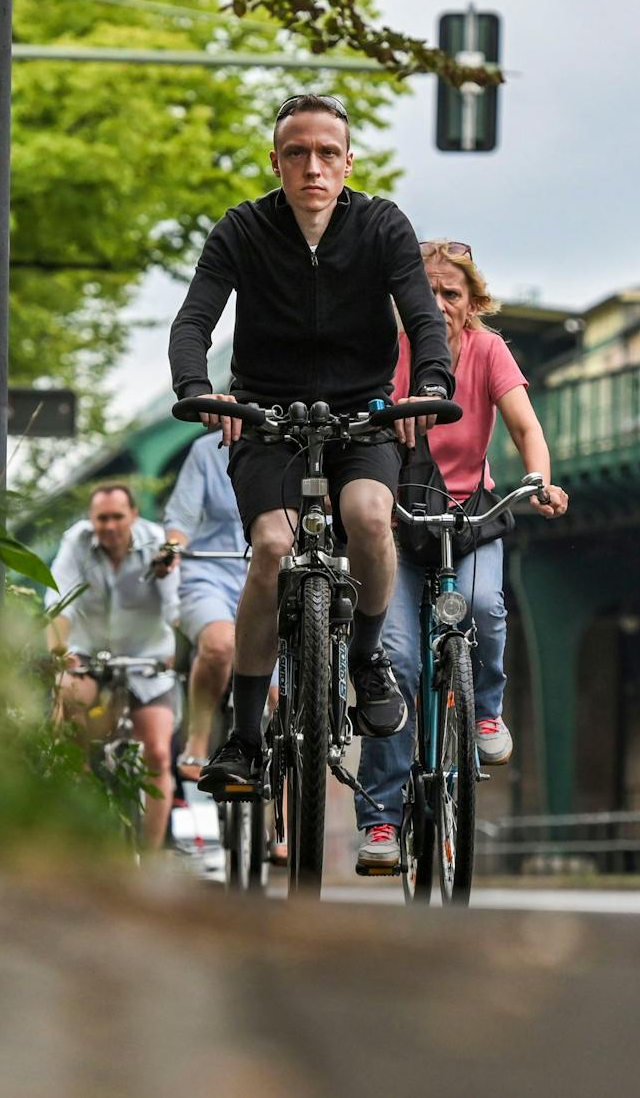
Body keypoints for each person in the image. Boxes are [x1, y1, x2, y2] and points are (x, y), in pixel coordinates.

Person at [168, 92, 455, 801]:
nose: (313, 167)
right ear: (276, 161)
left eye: (328, 152)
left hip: (363, 415)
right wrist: (202, 387)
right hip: (265, 418)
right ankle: (243, 734)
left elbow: (423, 317)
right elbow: (193, 321)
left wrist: (428, 383)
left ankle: (364, 660)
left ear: (348, 161)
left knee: (366, 516)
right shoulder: (242, 229)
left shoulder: (384, 225)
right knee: (269, 547)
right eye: (296, 153)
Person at [355, 240, 569, 873]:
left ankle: (486, 714)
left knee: (480, 604)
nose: (440, 304)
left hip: (469, 517)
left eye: (453, 294)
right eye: (427, 293)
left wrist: (542, 478)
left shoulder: (488, 350)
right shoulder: (382, 351)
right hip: (398, 522)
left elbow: (526, 427)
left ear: (474, 302)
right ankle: (381, 825)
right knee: (395, 660)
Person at [46, 483, 181, 850]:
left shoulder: (156, 542)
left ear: (133, 516)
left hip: (148, 662)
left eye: (117, 517)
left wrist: (180, 647)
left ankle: (150, 857)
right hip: (90, 658)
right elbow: (58, 604)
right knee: (67, 695)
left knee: (157, 750)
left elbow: (175, 607)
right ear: (91, 519)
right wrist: (59, 650)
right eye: (101, 518)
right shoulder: (76, 543)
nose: (109, 526)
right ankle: (80, 790)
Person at [160, 429, 251, 784]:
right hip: (210, 571)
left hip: (272, 574)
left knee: (284, 700)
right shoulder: (206, 450)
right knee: (219, 645)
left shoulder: (295, 444)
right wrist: (171, 549)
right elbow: (181, 520)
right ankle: (197, 739)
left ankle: (285, 836)